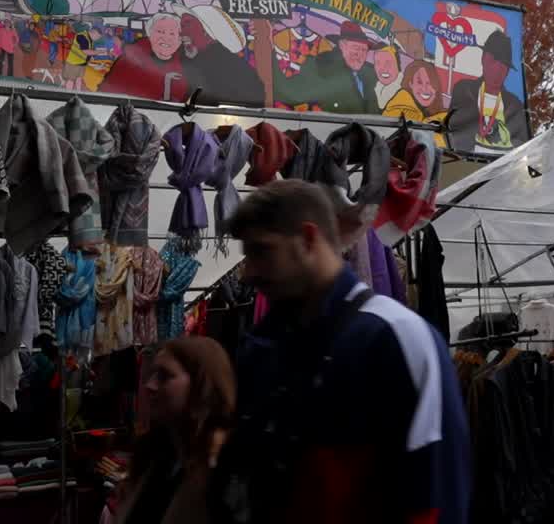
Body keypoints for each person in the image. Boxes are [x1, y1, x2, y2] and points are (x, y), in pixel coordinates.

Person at [218, 179, 469, 524]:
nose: (249, 273)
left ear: (308, 239)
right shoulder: (263, 347)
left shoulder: (395, 338)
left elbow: (435, 500)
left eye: (262, 251)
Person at [113, 337, 235, 524]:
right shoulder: (157, 456)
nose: (149, 385)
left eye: (164, 376)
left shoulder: (222, 471)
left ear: (201, 386)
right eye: (153, 374)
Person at [447, 29, 530, 152]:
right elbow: (455, 127)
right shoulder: (464, 90)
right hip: (467, 159)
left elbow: (522, 143)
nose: (497, 71)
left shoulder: (515, 105)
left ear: (507, 71)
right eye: (493, 62)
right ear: (483, 60)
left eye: (503, 66)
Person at [273, 21, 382, 114]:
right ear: (341, 46)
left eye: (364, 50)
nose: (359, 54)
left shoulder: (369, 76)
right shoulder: (319, 65)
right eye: (355, 48)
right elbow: (290, 93)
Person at [99, 12, 188, 101]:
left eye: (172, 34)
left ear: (179, 40)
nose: (166, 38)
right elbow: (106, 96)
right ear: (150, 35)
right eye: (160, 32)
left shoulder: (186, 67)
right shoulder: (128, 60)